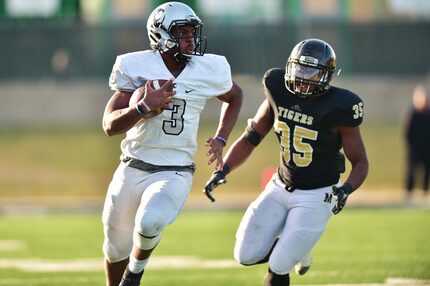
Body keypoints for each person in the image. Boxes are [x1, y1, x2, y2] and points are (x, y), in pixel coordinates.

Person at [204, 38, 368, 286]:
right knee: (245, 255)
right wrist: (223, 169)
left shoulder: (341, 106)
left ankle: (289, 254)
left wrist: (345, 190)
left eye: (311, 72)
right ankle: (298, 251)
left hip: (317, 194)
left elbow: (360, 162)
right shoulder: (277, 88)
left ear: (326, 76)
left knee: (279, 264)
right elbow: (251, 138)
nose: (303, 78)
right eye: (300, 69)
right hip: (280, 185)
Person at [102, 2, 243, 286]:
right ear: (161, 35)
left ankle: (135, 274)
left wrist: (221, 137)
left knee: (150, 220)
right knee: (115, 247)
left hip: (174, 169)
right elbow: (109, 125)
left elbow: (235, 95)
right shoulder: (136, 66)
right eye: (182, 32)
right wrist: (141, 108)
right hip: (132, 166)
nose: (190, 38)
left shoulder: (209, 68)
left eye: (193, 31)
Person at [404, 84, 430, 201]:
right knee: (411, 169)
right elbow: (407, 131)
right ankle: (408, 192)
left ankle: (425, 190)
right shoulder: (412, 114)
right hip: (414, 148)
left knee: (427, 169)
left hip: (427, 147)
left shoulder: (428, 114)